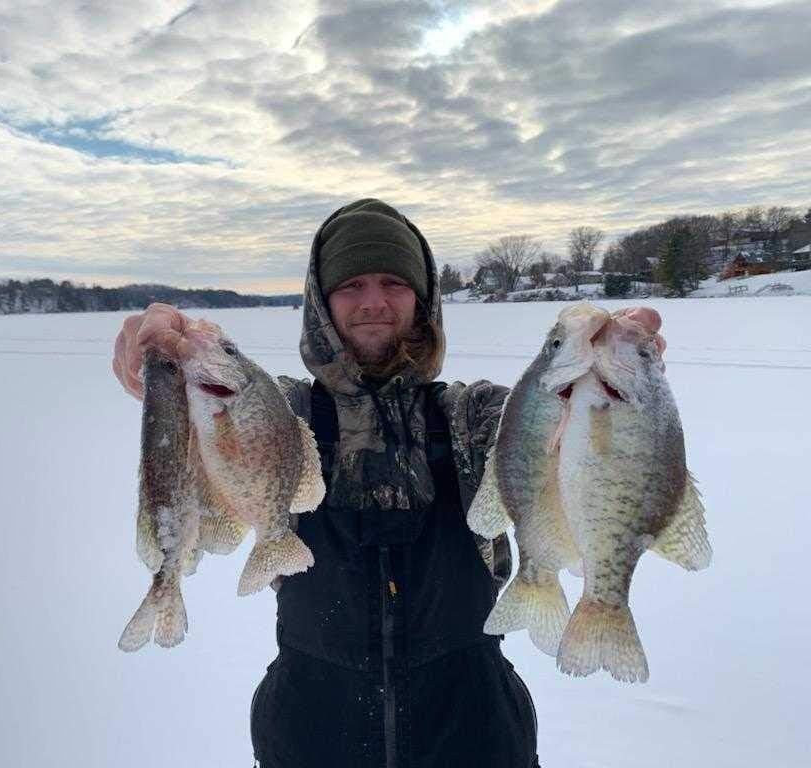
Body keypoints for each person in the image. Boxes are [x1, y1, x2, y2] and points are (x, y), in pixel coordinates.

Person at [112, 199, 663, 768]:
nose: (373, 301)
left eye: (394, 283)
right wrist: (158, 367)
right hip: (308, 737)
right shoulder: (281, 413)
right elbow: (206, 426)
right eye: (351, 284)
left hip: (476, 735)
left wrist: (611, 369)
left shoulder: (474, 416)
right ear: (320, 302)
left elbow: (550, 423)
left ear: (422, 299)